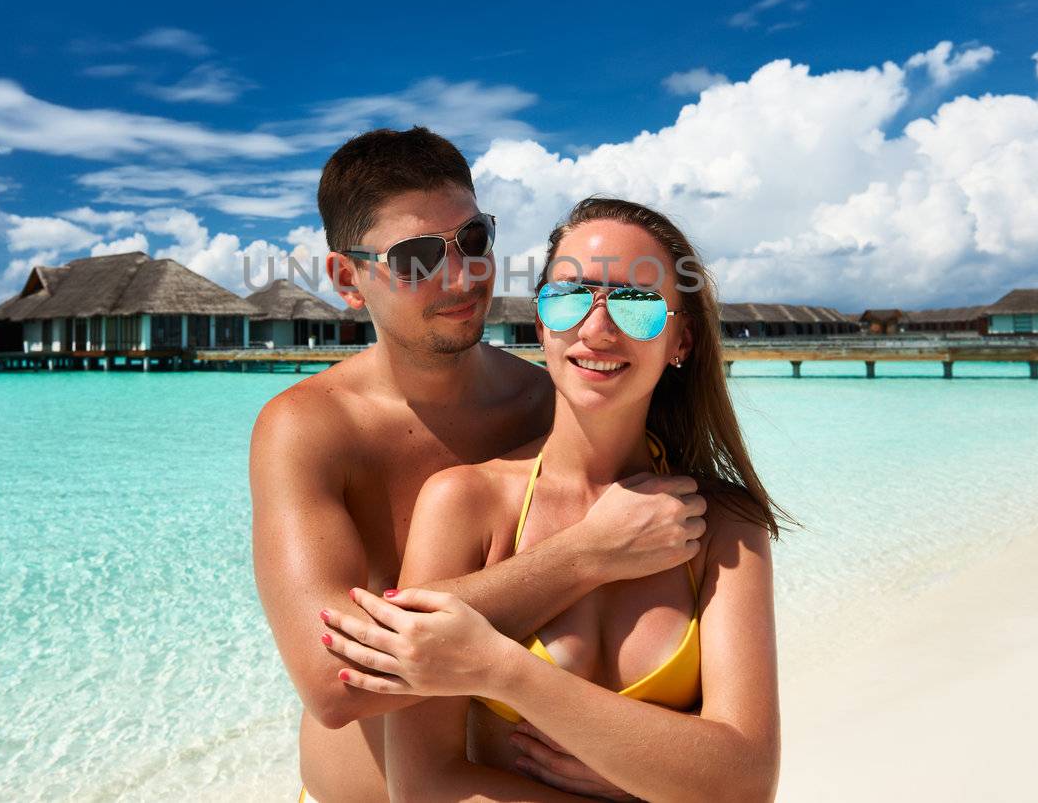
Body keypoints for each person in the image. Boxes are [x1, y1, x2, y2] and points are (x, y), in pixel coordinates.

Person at [251, 131, 711, 803]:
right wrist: (583, 554)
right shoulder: (311, 428)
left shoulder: (553, 399)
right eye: (414, 259)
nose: (461, 275)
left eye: (472, 240)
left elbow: (673, 578)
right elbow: (330, 678)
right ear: (348, 279)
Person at [323, 196, 792, 802]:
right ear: (542, 323)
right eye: (569, 296)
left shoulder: (723, 524)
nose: (597, 329)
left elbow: (748, 781)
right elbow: (423, 787)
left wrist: (501, 669)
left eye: (638, 303)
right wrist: (646, 781)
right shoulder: (466, 504)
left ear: (681, 340)